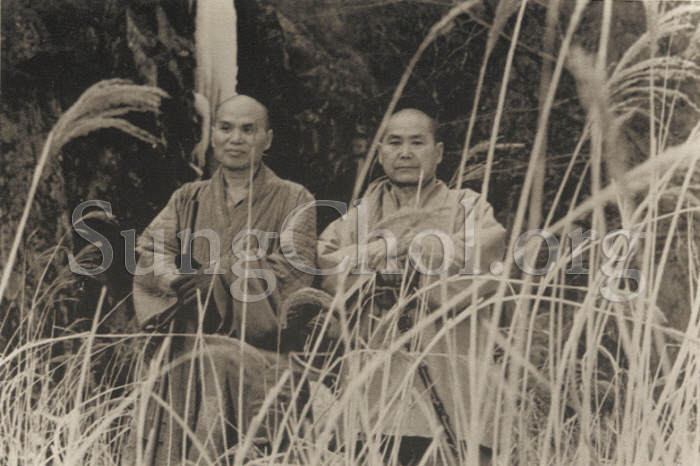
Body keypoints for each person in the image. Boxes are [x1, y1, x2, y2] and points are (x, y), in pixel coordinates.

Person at [129, 95, 317, 465]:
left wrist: (218, 280)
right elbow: (152, 249)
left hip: (262, 361)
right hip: (191, 356)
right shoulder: (187, 198)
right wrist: (176, 281)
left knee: (261, 452)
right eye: (226, 128)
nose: (236, 139)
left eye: (248, 130)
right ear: (212, 134)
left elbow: (294, 272)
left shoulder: (295, 198)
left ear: (267, 139)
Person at [312, 109, 506, 466]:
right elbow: (325, 266)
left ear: (439, 152)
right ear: (380, 152)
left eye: (417, 142)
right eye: (394, 143)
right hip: (376, 389)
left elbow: (486, 255)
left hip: (452, 384)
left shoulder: (468, 206)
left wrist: (413, 251)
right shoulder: (358, 217)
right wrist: (373, 259)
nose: (405, 153)